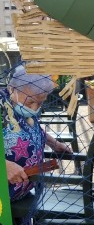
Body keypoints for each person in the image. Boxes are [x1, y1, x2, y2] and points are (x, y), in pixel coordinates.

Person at [1, 65, 71, 202]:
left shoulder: (19, 106)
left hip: (25, 191)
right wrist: (4, 165)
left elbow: (31, 130)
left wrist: (54, 143)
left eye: (40, 103)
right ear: (12, 89)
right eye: (30, 102)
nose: (34, 108)